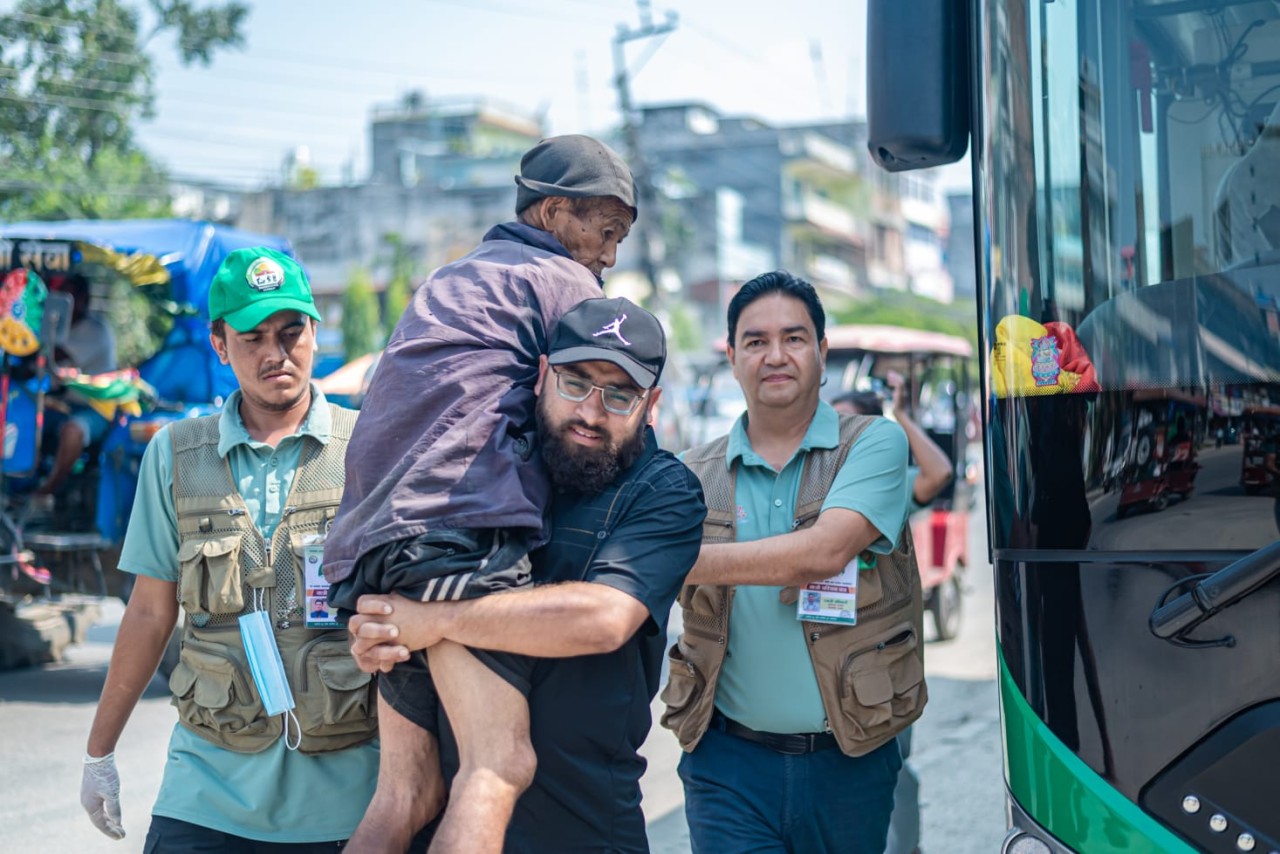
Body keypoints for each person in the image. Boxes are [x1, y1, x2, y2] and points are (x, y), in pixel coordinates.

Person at [323, 135, 640, 853]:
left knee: (408, 792)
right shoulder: (565, 286)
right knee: (498, 765)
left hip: (373, 542)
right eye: (606, 231)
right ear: (556, 213)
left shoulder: (451, 278)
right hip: (457, 529)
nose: (609, 255)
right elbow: (588, 413)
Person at [348, 296, 706, 853]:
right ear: (541, 375)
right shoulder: (478, 471)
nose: (591, 411)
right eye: (575, 382)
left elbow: (604, 619)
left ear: (651, 404)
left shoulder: (664, 492)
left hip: (585, 829)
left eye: (619, 394)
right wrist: (384, 636)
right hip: (450, 826)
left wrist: (435, 620)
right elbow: (402, 593)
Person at [79, 247, 379, 851]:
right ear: (220, 345)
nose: (276, 353)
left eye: (291, 333)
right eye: (253, 337)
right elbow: (148, 611)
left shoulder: (367, 448)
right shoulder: (175, 454)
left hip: (347, 797)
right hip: (208, 790)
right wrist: (99, 752)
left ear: (316, 334)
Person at [661, 270, 927, 854]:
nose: (775, 355)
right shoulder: (688, 475)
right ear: (732, 358)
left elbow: (824, 551)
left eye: (794, 338)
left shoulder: (873, 443)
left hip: (849, 758)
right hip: (726, 763)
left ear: (822, 352)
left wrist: (676, 560)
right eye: (755, 341)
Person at [832, 372, 954, 854]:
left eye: (849, 426)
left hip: (880, 658)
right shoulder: (809, 489)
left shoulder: (886, 489)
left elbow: (938, 472)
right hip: (825, 655)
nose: (836, 436)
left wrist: (900, 417)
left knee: (892, 765)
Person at [37, 272, 117, 497]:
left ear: (83, 300)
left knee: (73, 431)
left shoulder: (96, 331)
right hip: (63, 405)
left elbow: (55, 355)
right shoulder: (58, 329)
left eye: (68, 295)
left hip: (96, 410)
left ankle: (47, 490)